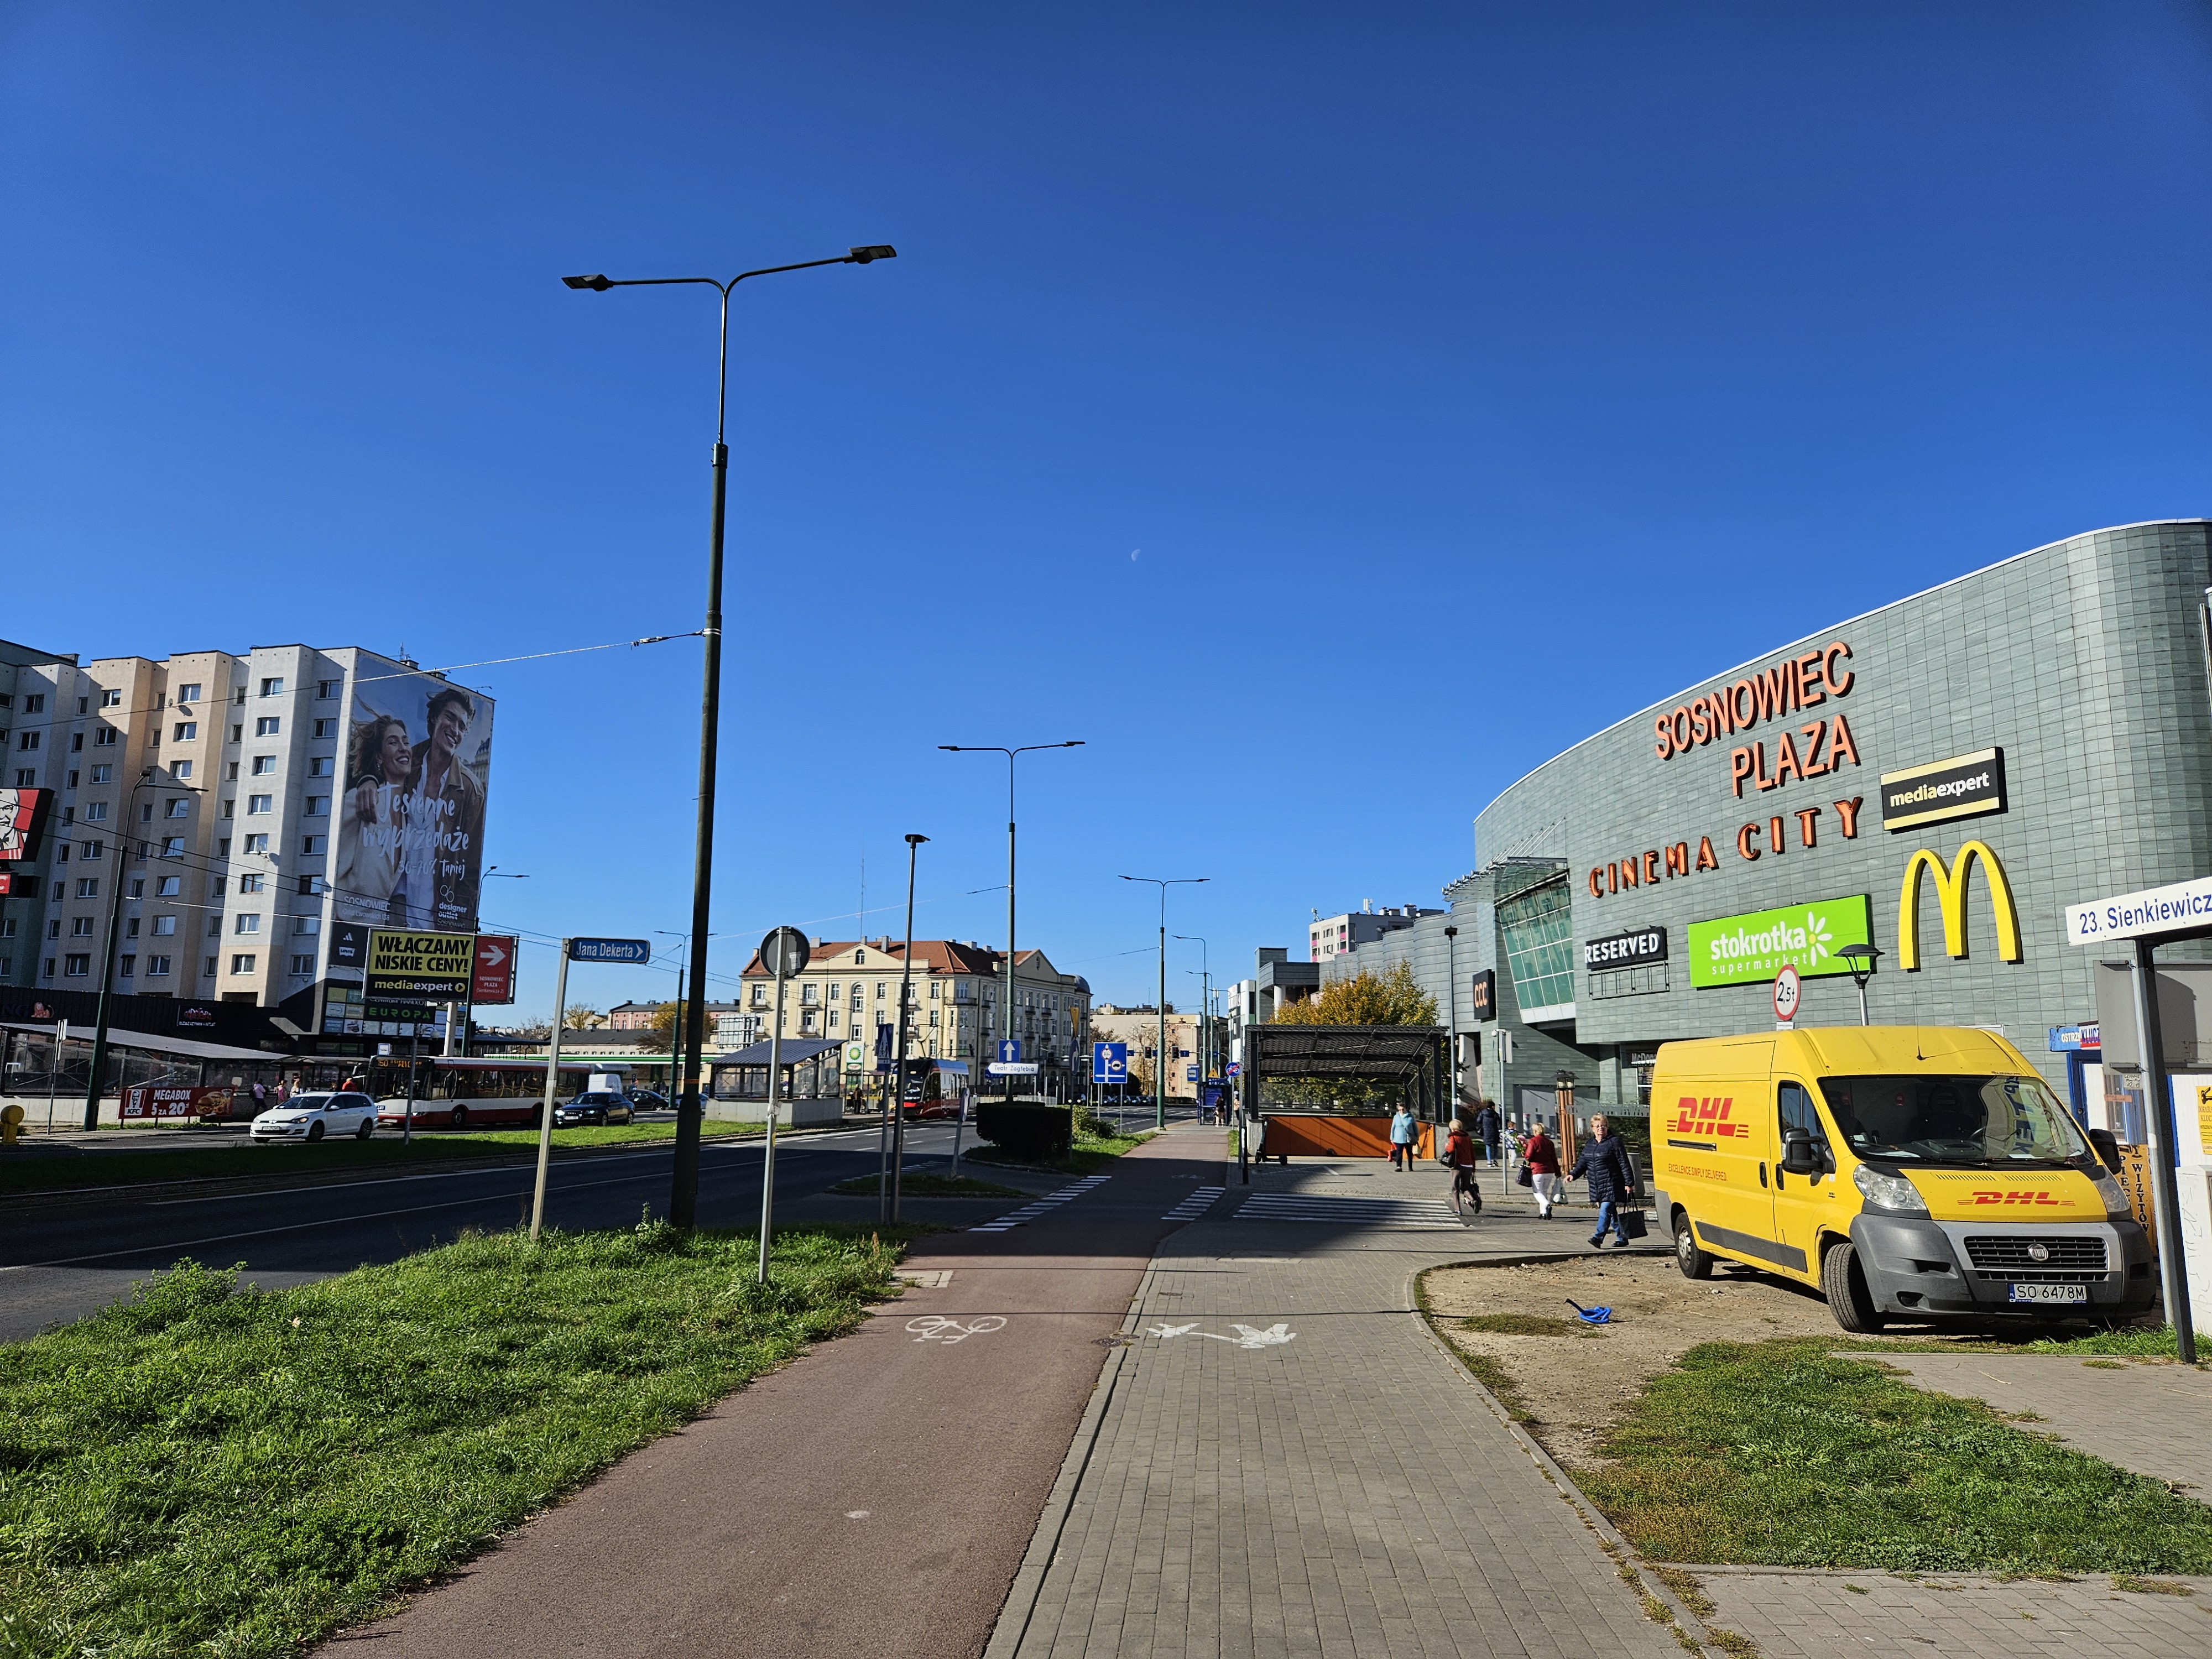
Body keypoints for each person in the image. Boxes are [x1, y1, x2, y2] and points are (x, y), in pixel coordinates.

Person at [398, 687, 488, 931]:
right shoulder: (406, 762)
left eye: (462, 726)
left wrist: (454, 929)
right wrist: (368, 781)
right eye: (450, 717)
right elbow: (371, 772)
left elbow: (470, 873)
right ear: (433, 718)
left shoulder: (471, 791)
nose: (455, 730)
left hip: (437, 930)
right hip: (392, 919)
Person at [336, 714, 412, 925]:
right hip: (342, 927)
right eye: (393, 743)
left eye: (406, 742)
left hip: (376, 935)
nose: (403, 748)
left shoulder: (408, 816)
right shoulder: (360, 801)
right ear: (379, 757)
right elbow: (331, 867)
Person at [1571, 1112, 1640, 1248]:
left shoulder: (1614, 1142)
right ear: (1592, 1128)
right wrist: (1573, 1175)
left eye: (1603, 1126)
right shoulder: (1590, 1144)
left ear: (1607, 1127)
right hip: (1597, 1184)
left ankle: (1598, 1237)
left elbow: (1624, 1163)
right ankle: (1622, 1237)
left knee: (1606, 1209)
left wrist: (1629, 1183)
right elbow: (1583, 1162)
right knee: (1611, 1212)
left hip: (1612, 1183)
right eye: (1597, 1126)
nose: (1600, 1128)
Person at [1522, 1120, 1562, 1218]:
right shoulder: (1549, 1142)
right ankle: (1543, 1213)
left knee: (1537, 1192)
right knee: (1544, 1191)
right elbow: (1554, 1158)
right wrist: (1558, 1171)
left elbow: (1528, 1156)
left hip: (1537, 1170)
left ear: (1536, 1131)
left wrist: (1524, 1151)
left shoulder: (1533, 1141)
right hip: (1549, 1171)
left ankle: (1547, 1205)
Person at [1443, 1116, 1481, 1211]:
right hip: (1468, 1166)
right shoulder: (1467, 1137)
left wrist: (1447, 1146)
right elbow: (1472, 1153)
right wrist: (1473, 1168)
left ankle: (1457, 1210)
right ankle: (1473, 1200)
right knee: (1465, 1187)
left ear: (1452, 1128)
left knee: (1455, 1189)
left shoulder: (1453, 1137)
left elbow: (1451, 1149)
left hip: (1457, 1166)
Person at [1388, 1103, 1418, 1171]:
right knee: (1399, 1153)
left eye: (1403, 1109)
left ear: (1406, 1109)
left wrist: (1417, 1137)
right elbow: (1393, 1128)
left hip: (1408, 1138)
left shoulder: (1410, 1117)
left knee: (1409, 1153)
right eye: (1400, 1110)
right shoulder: (1396, 1117)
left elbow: (1415, 1128)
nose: (1401, 1111)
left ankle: (1410, 1167)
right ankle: (1399, 1167)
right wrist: (1392, 1138)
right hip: (1399, 1138)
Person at [1474, 1098, 1502, 1166]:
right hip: (1495, 1132)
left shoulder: (1483, 1113)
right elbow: (1499, 1125)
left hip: (1486, 1132)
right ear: (1492, 1106)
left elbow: (1479, 1121)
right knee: (1495, 1147)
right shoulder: (1496, 1114)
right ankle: (1495, 1160)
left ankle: (1489, 1161)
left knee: (1488, 1146)